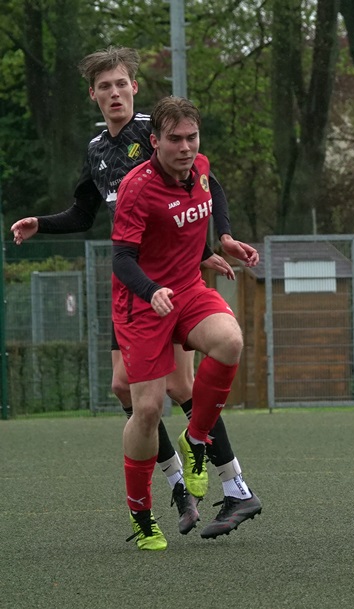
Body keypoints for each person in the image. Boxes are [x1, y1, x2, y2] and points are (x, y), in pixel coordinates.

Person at [10, 47, 261, 539]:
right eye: (105, 86)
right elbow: (85, 214)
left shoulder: (155, 132)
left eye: (121, 83)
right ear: (93, 95)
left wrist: (210, 246)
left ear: (134, 87)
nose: (114, 93)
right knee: (125, 388)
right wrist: (43, 223)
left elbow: (202, 186)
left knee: (176, 388)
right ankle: (183, 487)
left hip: (167, 284)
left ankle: (232, 485)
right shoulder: (98, 149)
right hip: (133, 285)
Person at [111, 96, 259, 550]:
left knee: (230, 341)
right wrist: (150, 289)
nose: (186, 147)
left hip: (188, 290)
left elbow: (215, 190)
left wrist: (224, 237)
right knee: (147, 409)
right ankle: (142, 515)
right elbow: (121, 259)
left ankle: (195, 441)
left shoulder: (200, 167)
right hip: (143, 304)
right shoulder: (137, 187)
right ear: (155, 141)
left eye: (192, 137)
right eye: (175, 139)